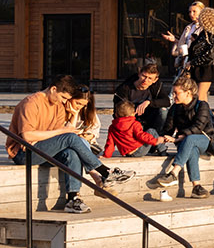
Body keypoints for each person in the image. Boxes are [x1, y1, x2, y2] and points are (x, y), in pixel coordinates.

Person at [7, 75, 129, 214]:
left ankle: (72, 199)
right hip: (23, 153)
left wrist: (73, 115)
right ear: (53, 89)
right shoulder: (31, 103)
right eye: (63, 98)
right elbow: (27, 136)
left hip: (42, 149)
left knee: (71, 153)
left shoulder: (58, 106)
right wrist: (60, 133)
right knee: (69, 138)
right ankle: (104, 172)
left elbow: (61, 135)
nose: (64, 102)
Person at [150, 76, 214, 199]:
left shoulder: (202, 105)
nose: (174, 96)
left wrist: (178, 139)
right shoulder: (175, 108)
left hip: (205, 141)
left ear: (188, 92)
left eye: (176, 93)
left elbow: (198, 127)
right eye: (173, 93)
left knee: (191, 139)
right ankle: (196, 187)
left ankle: (173, 173)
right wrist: (162, 138)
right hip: (187, 144)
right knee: (191, 149)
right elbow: (168, 129)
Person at [113, 58, 172, 137]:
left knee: (163, 111)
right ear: (139, 74)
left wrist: (148, 102)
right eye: (144, 76)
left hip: (150, 119)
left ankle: (156, 138)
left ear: (155, 80)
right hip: (132, 120)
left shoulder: (156, 86)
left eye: (150, 78)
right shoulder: (124, 88)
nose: (145, 80)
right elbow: (118, 111)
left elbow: (166, 101)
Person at [185, 5, 214, 103]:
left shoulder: (211, 34)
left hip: (206, 68)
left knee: (200, 96)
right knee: (201, 97)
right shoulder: (205, 33)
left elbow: (210, 54)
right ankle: (205, 117)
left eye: (201, 16)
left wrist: (192, 62)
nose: (198, 18)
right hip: (202, 67)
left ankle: (204, 117)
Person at [161, 0, 203, 76]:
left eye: (194, 11)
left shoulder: (204, 28)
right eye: (190, 12)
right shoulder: (189, 27)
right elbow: (184, 44)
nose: (191, 14)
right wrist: (175, 40)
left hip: (196, 62)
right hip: (185, 60)